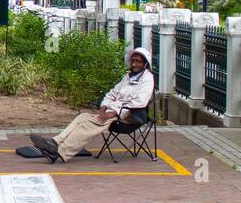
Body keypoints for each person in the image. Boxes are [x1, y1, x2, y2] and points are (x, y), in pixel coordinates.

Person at [26, 49, 155, 163]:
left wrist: (114, 112)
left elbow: (140, 101)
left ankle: (59, 152)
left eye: (138, 61)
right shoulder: (127, 77)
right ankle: (54, 142)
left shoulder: (147, 79)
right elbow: (112, 93)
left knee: (88, 125)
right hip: (113, 110)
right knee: (83, 117)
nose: (134, 64)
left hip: (129, 116)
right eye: (133, 61)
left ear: (145, 64)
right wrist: (103, 108)